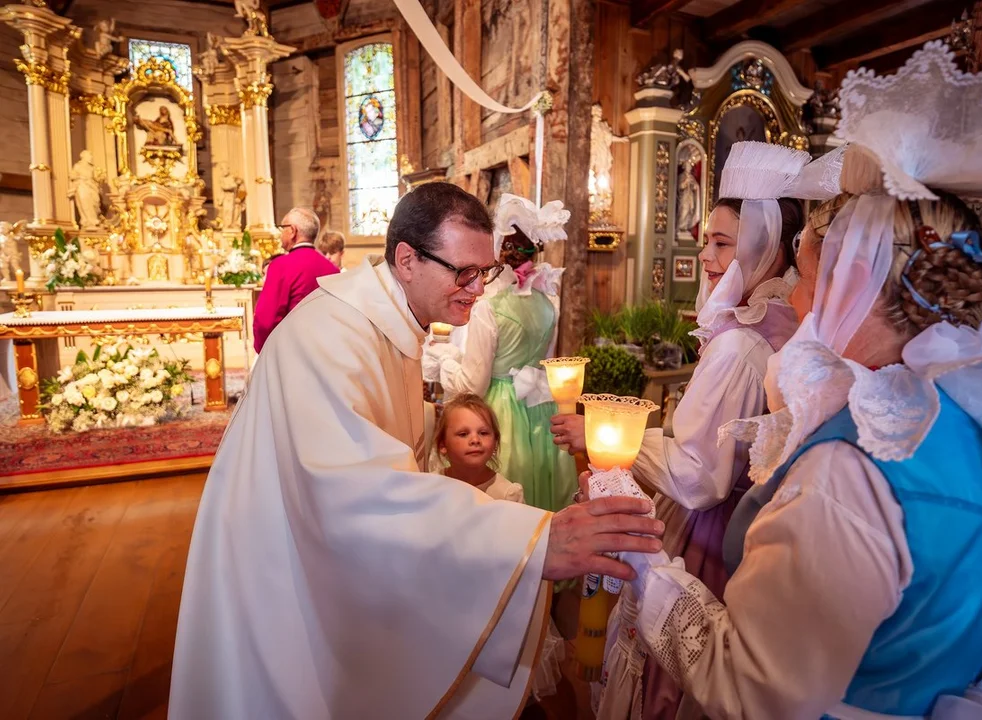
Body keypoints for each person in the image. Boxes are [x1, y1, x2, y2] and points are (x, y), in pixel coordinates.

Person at [610, 42, 982, 719]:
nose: (794, 295)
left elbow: (752, 689)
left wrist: (648, 573)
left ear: (845, 278)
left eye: (802, 273)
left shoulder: (850, 468)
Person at [170, 181, 665, 720]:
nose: (478, 290)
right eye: (464, 272)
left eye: (486, 272)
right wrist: (532, 541)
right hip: (281, 579)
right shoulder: (332, 335)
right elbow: (360, 495)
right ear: (406, 259)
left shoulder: (387, 321)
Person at [552, 141, 808, 720]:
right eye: (706, 242)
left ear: (763, 241)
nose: (708, 257)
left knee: (667, 679)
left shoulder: (740, 344)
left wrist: (607, 436)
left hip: (707, 535)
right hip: (750, 524)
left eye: (722, 242)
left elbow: (697, 476)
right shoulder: (779, 321)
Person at [430, 194, 577, 512]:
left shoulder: (488, 307)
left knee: (507, 496)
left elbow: (473, 383)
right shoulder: (548, 301)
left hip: (503, 409)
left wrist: (445, 358)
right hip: (540, 405)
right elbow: (545, 359)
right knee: (540, 484)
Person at [433, 392, 567, 701]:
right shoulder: (435, 486)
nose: (475, 440)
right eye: (463, 434)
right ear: (443, 445)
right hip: (448, 585)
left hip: (492, 589)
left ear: (495, 441)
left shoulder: (506, 493)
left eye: (483, 433)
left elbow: (517, 548)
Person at [251, 207, 338, 352]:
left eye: (282, 228)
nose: (280, 234)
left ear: (292, 231)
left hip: (292, 352)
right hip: (325, 352)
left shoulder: (280, 266)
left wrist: (264, 351)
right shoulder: (333, 270)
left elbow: (265, 321)